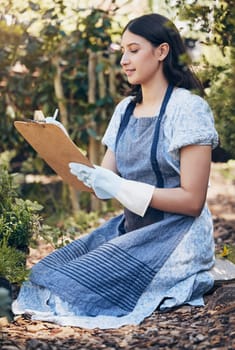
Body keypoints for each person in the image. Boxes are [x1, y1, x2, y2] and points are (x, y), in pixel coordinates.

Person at [13, 13, 218, 329]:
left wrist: (122, 187)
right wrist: (58, 143)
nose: (124, 60)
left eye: (133, 50)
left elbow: (192, 201)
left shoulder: (188, 110)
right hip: (131, 227)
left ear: (162, 51)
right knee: (45, 274)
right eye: (122, 51)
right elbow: (100, 183)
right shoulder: (124, 111)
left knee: (76, 293)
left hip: (177, 235)